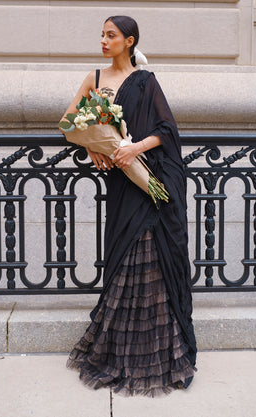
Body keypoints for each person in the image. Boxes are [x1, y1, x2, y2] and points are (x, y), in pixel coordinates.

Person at [60, 15, 197, 397]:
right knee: (122, 255)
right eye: (102, 35)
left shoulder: (146, 81)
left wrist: (132, 148)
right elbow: (69, 122)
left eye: (111, 35)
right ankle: (117, 353)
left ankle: (162, 355)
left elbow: (167, 130)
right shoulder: (95, 78)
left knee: (151, 258)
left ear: (129, 41)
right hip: (121, 183)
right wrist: (93, 145)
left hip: (148, 177)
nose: (103, 41)